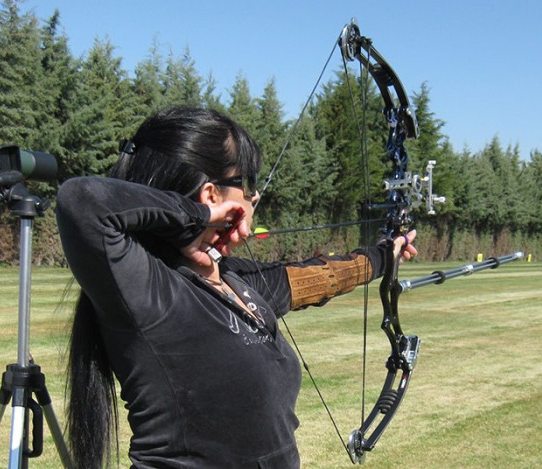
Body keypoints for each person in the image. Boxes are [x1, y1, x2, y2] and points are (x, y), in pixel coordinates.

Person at [55, 107, 417, 468]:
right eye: (247, 190)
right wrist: (197, 216)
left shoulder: (233, 278)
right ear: (212, 195)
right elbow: (81, 199)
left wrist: (388, 254)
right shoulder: (147, 286)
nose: (251, 205)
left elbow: (321, 276)